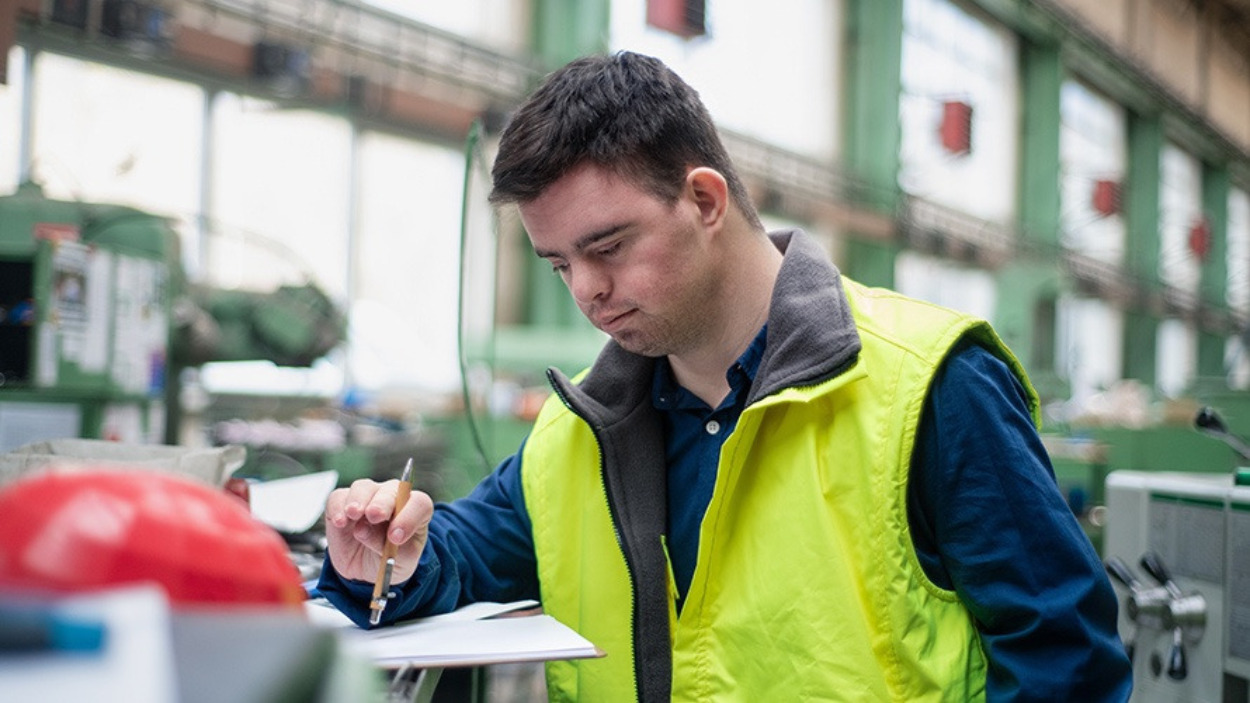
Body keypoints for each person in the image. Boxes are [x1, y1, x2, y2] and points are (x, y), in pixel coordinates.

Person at [318, 51, 1132, 701]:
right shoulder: (584, 430)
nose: (586, 291)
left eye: (607, 247)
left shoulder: (929, 386)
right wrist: (390, 556)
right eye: (559, 262)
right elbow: (465, 551)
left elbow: (1064, 661)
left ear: (705, 199)